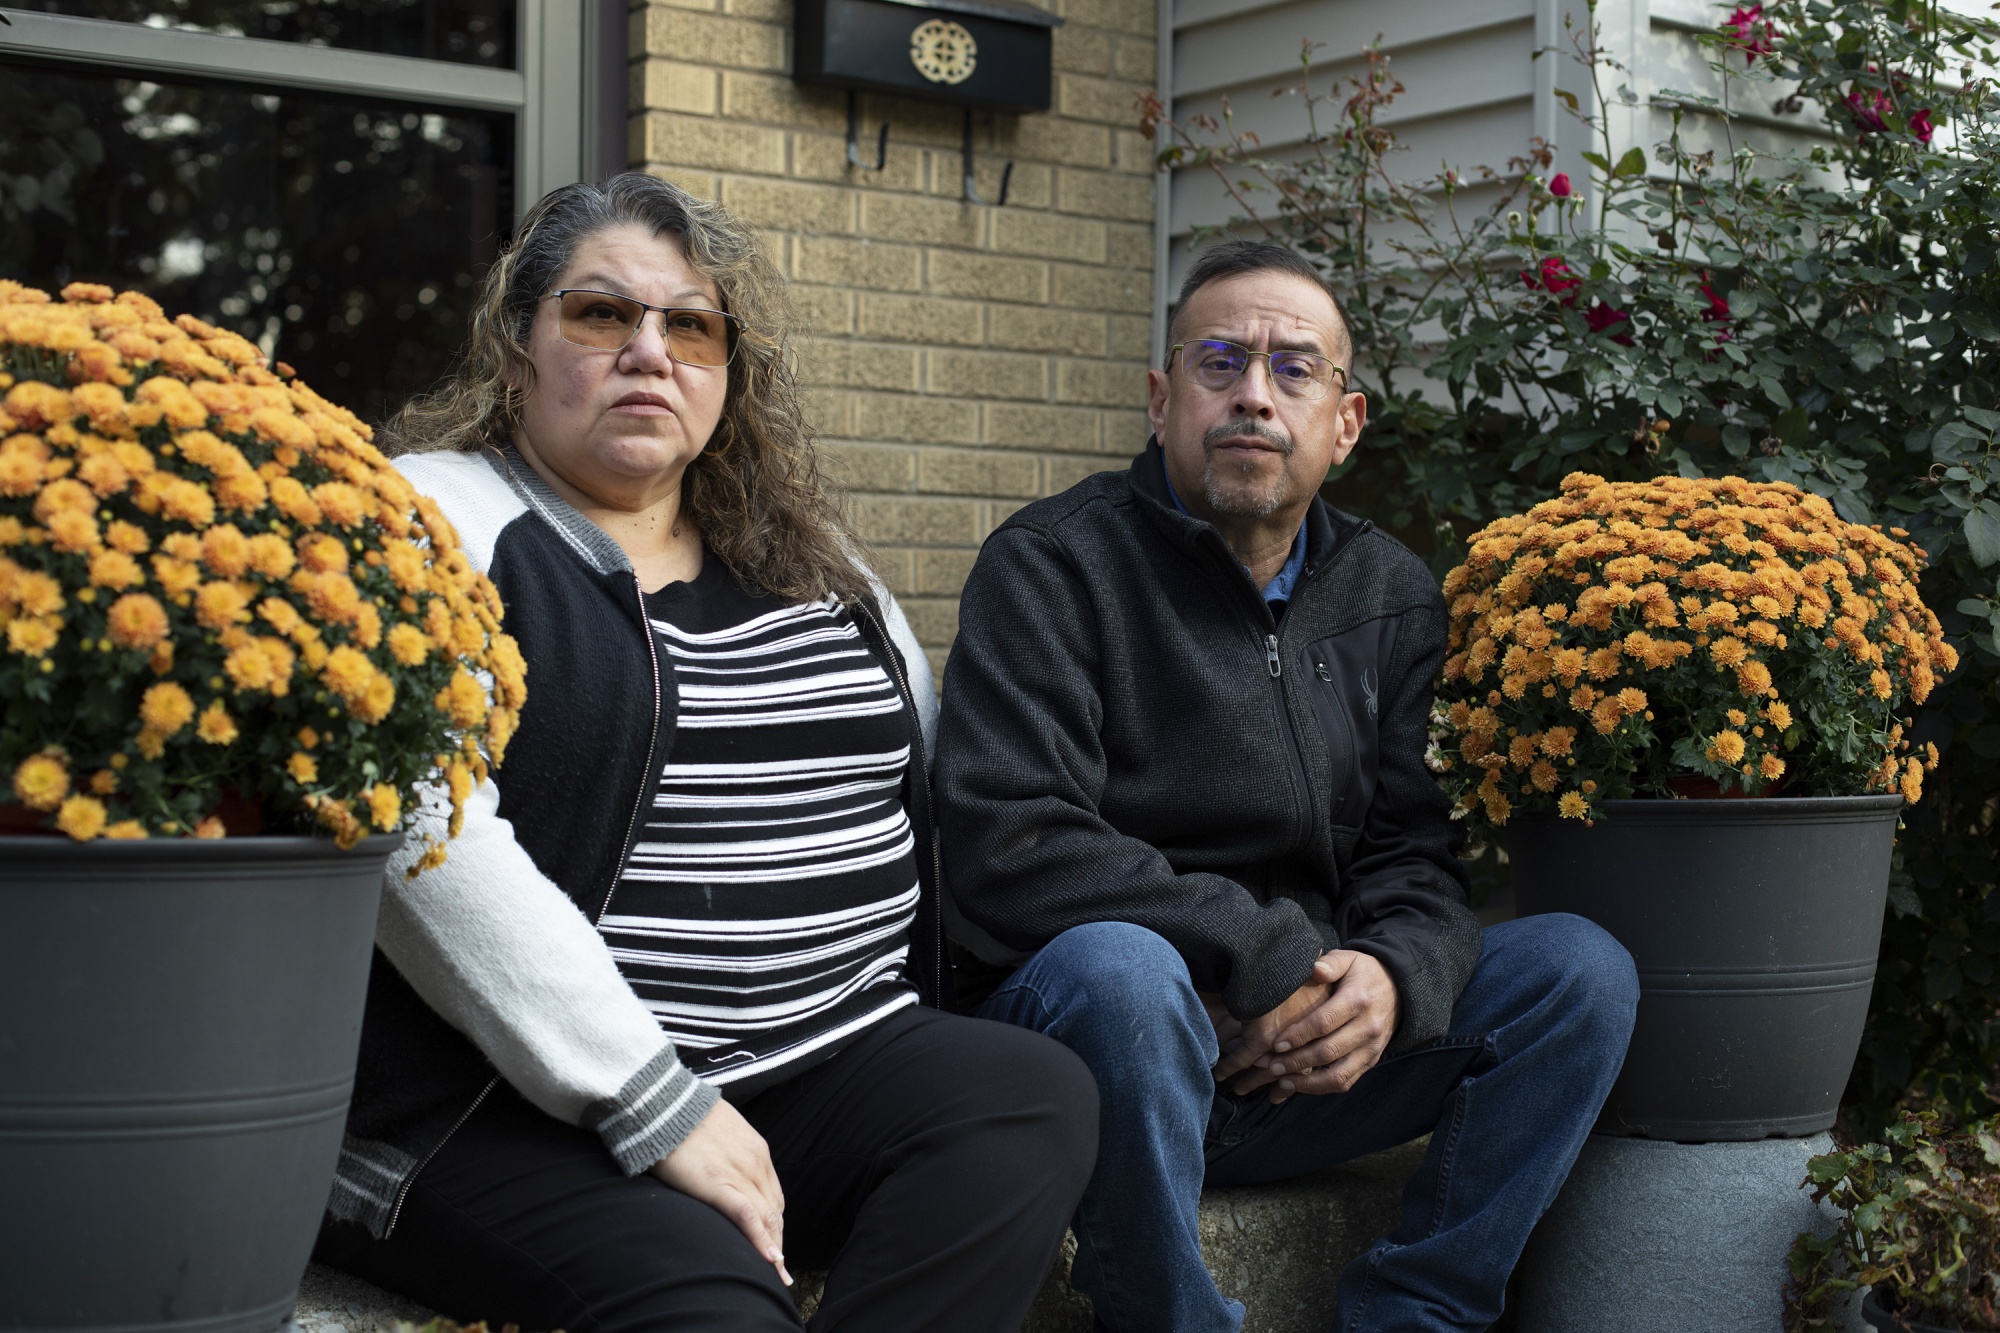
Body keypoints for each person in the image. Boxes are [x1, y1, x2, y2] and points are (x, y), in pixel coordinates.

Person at [312, 173, 1097, 1333]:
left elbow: (936, 790)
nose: (649, 350)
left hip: (822, 1067)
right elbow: (418, 822)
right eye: (599, 315)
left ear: (728, 375)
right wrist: (657, 1103)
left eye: (689, 325)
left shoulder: (811, 562)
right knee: (715, 1310)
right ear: (516, 349)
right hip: (515, 1107)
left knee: (1029, 1097)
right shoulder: (434, 516)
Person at [934, 239, 1639, 1333]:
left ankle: (1415, 1312)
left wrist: (1393, 977)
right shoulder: (1053, 566)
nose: (1252, 394)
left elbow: (1414, 854)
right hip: (1097, 1048)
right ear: (1164, 400)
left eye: (1292, 369)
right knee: (1124, 973)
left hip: (1300, 1060)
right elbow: (1012, 840)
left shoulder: (1390, 593)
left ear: (1343, 422)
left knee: (1577, 972)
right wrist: (1272, 962)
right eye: (1219, 362)